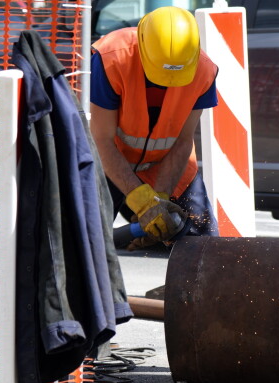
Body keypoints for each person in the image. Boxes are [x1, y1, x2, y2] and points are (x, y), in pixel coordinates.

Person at [90, 6, 219, 249]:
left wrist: (159, 200)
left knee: (203, 247)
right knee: (82, 240)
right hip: (110, 161)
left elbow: (183, 141)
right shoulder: (111, 58)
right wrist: (143, 202)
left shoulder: (204, 71)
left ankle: (191, 288)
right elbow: (102, 140)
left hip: (168, 162)